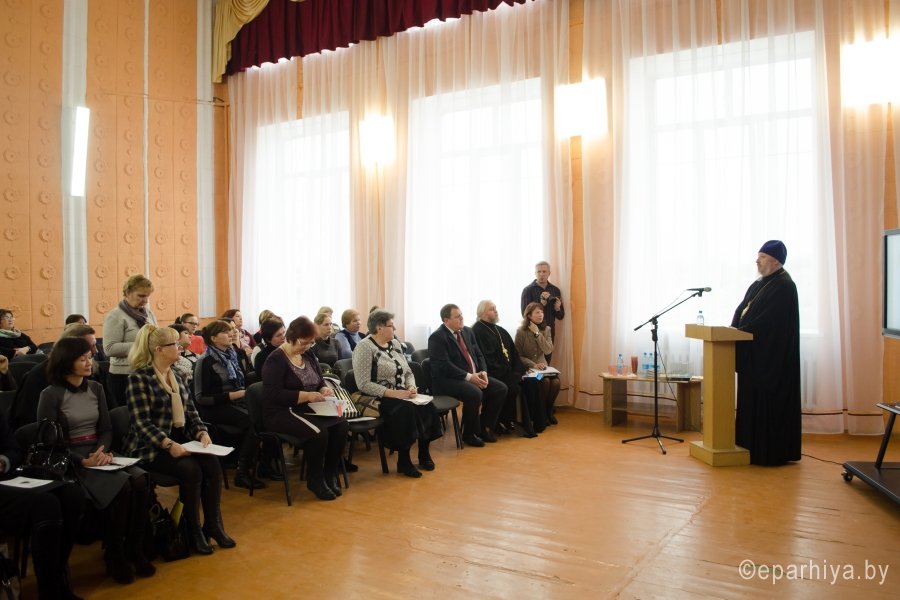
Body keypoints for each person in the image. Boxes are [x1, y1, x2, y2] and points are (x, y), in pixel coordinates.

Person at [37, 337, 155, 584]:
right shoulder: (51, 394)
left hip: (99, 452)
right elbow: (50, 442)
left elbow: (105, 428)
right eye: (82, 359)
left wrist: (102, 451)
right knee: (123, 487)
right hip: (72, 459)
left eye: (89, 358)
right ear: (66, 362)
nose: (89, 363)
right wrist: (83, 461)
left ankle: (135, 547)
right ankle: (114, 552)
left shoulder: (95, 388)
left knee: (141, 480)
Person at [124, 324, 234, 555]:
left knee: (212, 464)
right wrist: (168, 444)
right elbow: (142, 423)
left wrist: (202, 432)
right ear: (159, 350)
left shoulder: (178, 375)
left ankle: (213, 525)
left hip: (179, 439)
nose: (180, 346)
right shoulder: (139, 379)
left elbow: (192, 413)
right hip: (151, 446)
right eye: (174, 344)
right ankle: (191, 530)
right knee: (190, 470)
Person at [261, 316, 349, 501]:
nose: (307, 346)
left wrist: (323, 389)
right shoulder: (275, 360)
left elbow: (319, 379)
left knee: (341, 424)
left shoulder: (308, 354)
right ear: (291, 337)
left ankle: (330, 473)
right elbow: (274, 394)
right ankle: (315, 479)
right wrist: (307, 396)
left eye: (310, 343)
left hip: (307, 408)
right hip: (281, 411)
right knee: (318, 433)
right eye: (304, 343)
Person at [731, 240, 801, 466]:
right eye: (758, 256)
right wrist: (733, 330)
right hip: (754, 354)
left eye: (762, 257)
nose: (757, 261)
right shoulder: (758, 284)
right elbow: (741, 310)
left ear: (776, 261)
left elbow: (770, 322)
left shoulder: (785, 286)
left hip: (771, 360)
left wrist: (741, 331)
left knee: (768, 403)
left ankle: (768, 452)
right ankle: (748, 445)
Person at [0, 411, 84, 599]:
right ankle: (49, 592)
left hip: (7, 479)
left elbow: (13, 450)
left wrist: (3, 461)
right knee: (47, 505)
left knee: (73, 496)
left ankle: (58, 581)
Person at [353, 310, 443, 477]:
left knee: (427, 406)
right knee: (405, 410)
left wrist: (411, 387)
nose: (394, 328)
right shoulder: (364, 347)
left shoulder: (394, 343)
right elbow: (363, 383)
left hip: (402, 393)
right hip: (379, 396)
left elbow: (408, 371)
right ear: (379, 328)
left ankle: (424, 454)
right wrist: (393, 393)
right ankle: (404, 460)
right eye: (391, 325)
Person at [193, 320, 263, 489]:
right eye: (225, 332)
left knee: (264, 414)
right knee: (253, 421)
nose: (231, 334)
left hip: (237, 401)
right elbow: (201, 398)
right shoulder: (205, 361)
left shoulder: (233, 355)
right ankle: (242, 472)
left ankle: (261, 464)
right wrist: (233, 395)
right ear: (213, 338)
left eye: (230, 331)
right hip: (213, 408)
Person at [427, 304, 506, 447]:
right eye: (457, 317)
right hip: (447, 381)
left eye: (461, 315)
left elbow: (479, 354)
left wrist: (483, 372)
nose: (462, 318)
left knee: (500, 388)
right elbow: (444, 366)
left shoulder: (467, 331)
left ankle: (484, 427)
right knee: (474, 393)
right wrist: (469, 377)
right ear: (446, 320)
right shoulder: (437, 337)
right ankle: (469, 434)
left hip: (472, 375)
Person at [472, 300, 542, 437]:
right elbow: (486, 360)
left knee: (533, 382)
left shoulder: (500, 330)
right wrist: (513, 374)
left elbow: (514, 354)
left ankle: (534, 422)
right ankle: (503, 420)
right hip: (492, 373)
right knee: (515, 388)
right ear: (482, 313)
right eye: (492, 309)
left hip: (508, 372)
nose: (496, 310)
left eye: (495, 308)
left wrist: (519, 370)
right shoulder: (477, 331)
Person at [11, 324, 101, 429]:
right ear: (69, 350)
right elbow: (32, 423)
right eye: (90, 347)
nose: (95, 351)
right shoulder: (38, 377)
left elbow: (105, 417)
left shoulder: (92, 375)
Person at [103, 274, 158, 408]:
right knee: (129, 415)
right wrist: (142, 344)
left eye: (147, 296)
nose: (145, 300)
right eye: (141, 296)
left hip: (147, 371)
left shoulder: (148, 314)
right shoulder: (115, 316)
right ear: (127, 293)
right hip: (124, 374)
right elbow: (109, 349)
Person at [515, 302, 560, 425]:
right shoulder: (521, 331)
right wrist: (533, 365)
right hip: (529, 369)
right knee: (545, 382)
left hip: (543, 367)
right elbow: (518, 356)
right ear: (529, 315)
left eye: (542, 312)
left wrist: (537, 333)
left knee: (556, 382)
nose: (541, 315)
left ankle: (548, 411)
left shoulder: (546, 329)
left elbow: (548, 350)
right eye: (537, 312)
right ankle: (541, 413)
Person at [520, 261, 565, 359]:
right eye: (539, 271)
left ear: (549, 273)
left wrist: (557, 308)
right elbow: (524, 314)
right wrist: (541, 305)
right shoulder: (528, 290)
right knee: (533, 362)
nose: (541, 274)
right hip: (532, 331)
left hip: (549, 331)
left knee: (548, 359)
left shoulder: (555, 290)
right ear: (535, 273)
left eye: (544, 271)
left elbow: (561, 316)